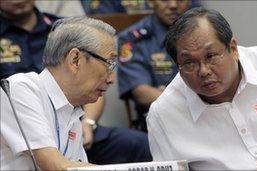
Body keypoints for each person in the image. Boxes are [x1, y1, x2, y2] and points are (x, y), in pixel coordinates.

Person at [147, 7, 257, 170]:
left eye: (211, 56)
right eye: (189, 63)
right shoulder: (164, 115)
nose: (204, 71)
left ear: (233, 49)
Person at [0, 0, 152, 165]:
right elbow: (55, 165)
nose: (111, 79)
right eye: (109, 64)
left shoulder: (73, 113)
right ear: (75, 59)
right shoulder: (20, 88)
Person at [117, 0, 190, 131]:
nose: (173, 5)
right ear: (151, 2)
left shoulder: (203, 33)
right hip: (160, 121)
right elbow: (142, 93)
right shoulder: (133, 39)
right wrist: (193, 107)